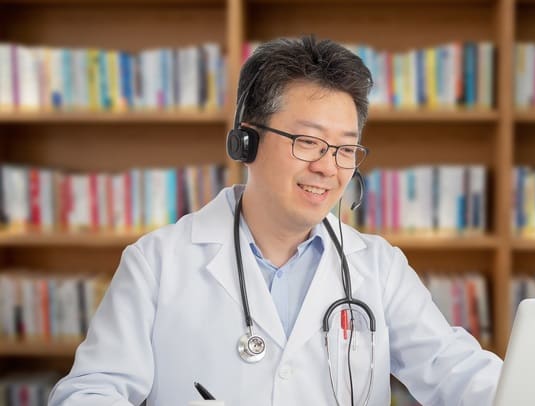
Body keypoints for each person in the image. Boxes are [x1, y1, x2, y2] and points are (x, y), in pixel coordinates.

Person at [48, 35, 502, 406]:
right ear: (247, 140)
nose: (329, 167)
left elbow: (455, 371)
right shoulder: (158, 262)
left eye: (346, 148)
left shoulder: (379, 267)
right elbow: (91, 391)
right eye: (308, 141)